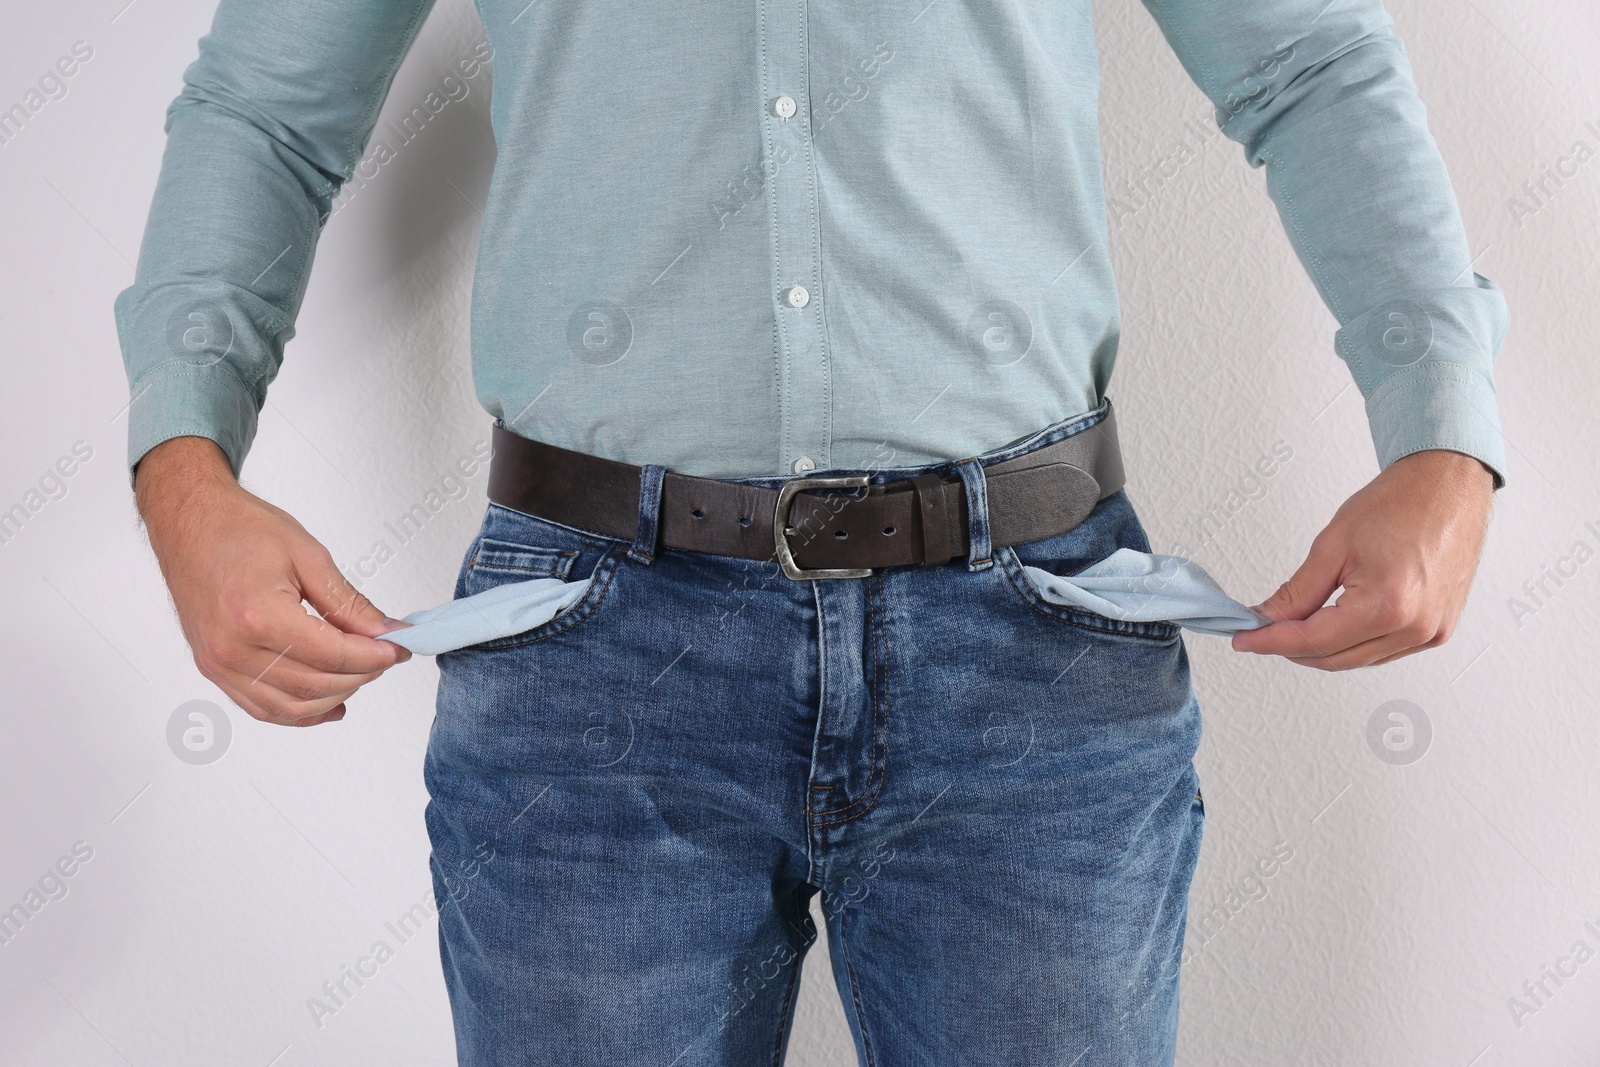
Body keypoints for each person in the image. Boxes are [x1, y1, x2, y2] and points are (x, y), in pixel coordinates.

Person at [116, 0, 1504, 1063]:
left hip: (1033, 646)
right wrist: (186, 465)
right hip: (591, 662)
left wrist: (1440, 427)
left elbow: (1307, 62)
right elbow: (266, 108)